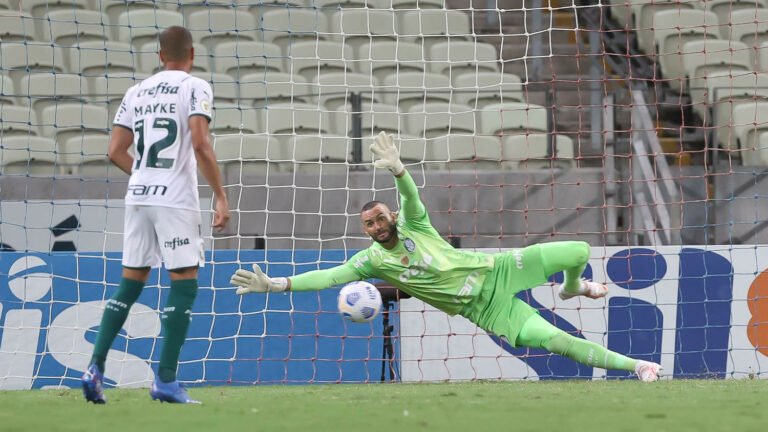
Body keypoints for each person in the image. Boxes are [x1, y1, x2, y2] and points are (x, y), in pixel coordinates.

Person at [230, 132, 662, 382]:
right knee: (557, 342)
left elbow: (410, 196)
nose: (377, 227)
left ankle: (573, 287)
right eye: (369, 225)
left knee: (578, 250)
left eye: (380, 219)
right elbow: (328, 277)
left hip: (497, 271)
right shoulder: (371, 262)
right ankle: (639, 367)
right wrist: (277, 284)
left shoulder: (414, 225)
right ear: (366, 231)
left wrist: (398, 169)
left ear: (390, 216)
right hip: (485, 309)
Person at [81, 26, 230, 404]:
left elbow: (115, 150)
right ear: (192, 54)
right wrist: (220, 195)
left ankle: (95, 367)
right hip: (175, 199)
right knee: (184, 282)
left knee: (130, 283)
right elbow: (200, 143)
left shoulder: (136, 91)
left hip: (138, 196)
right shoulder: (195, 87)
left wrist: (145, 176)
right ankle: (165, 380)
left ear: (160, 55)